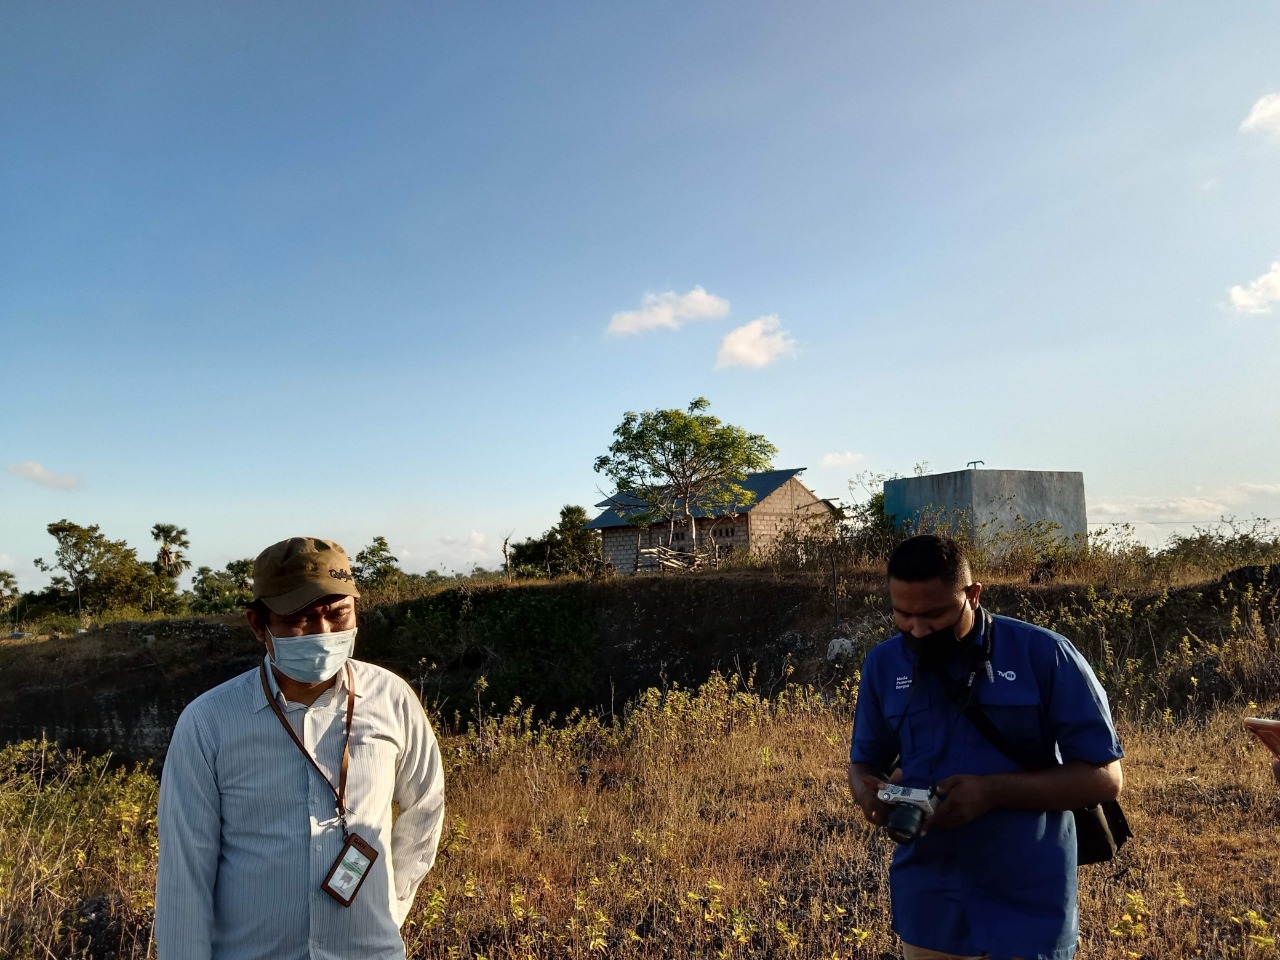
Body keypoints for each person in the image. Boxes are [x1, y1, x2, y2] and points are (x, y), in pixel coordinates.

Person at [156, 537, 446, 960]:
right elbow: (185, 871)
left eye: (337, 614)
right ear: (259, 624)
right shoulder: (209, 722)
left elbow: (425, 805)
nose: (323, 632)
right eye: (300, 620)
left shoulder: (392, 698)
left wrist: (391, 908)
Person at [848, 535, 1124, 960]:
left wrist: (992, 792)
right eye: (903, 615)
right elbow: (864, 760)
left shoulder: (1045, 655)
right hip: (930, 897)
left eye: (934, 614)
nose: (917, 630)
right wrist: (869, 794)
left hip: (1028, 895)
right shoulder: (884, 664)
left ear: (973, 596)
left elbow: (1105, 779)